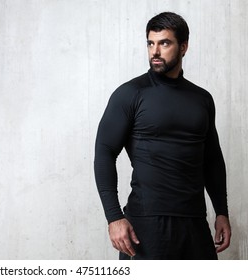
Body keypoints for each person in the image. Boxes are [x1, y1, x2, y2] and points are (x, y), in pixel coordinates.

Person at [94, 12, 231, 260]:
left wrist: (221, 211)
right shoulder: (130, 94)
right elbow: (104, 152)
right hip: (147, 225)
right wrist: (114, 217)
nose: (155, 51)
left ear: (184, 47)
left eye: (164, 43)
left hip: (195, 222)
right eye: (150, 43)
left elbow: (212, 159)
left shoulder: (202, 99)